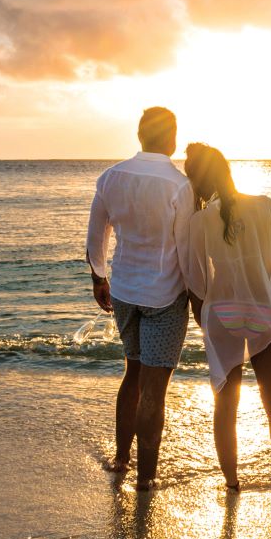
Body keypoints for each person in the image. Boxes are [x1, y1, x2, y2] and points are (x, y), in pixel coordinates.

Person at [183, 143, 271, 494]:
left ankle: (231, 484)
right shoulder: (265, 206)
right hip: (265, 312)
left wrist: (204, 322)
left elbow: (195, 283)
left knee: (226, 405)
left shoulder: (199, 221)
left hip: (223, 316)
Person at [86, 107, 195, 490]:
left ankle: (121, 460)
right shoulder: (179, 185)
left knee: (131, 373)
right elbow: (186, 248)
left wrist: (99, 277)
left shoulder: (110, 177)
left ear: (139, 134)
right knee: (154, 389)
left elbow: (96, 235)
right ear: (172, 138)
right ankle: (146, 480)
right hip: (164, 295)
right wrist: (197, 297)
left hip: (125, 292)